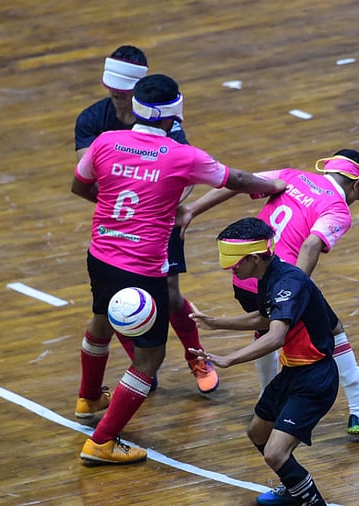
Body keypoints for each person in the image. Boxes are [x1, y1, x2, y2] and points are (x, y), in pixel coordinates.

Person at [71, 74, 286, 464]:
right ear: (174, 115)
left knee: (101, 320)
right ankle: (102, 441)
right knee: (149, 360)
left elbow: (80, 186)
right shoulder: (181, 155)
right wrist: (270, 187)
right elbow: (234, 179)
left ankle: (88, 399)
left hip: (101, 255)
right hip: (142, 269)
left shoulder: (104, 142)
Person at [178, 149, 359, 437]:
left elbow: (239, 183)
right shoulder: (338, 209)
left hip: (244, 277)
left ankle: (267, 401)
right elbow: (310, 246)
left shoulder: (292, 176)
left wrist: (192, 210)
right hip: (280, 279)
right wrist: (296, 291)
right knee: (334, 331)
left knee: (266, 328)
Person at [75, 45, 218, 394]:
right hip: (120, 223)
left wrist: (163, 206)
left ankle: (196, 356)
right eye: (113, 92)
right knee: (119, 299)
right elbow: (89, 178)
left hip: (160, 220)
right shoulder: (92, 121)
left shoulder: (166, 122)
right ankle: (140, 364)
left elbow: (181, 177)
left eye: (123, 94)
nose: (117, 99)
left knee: (169, 296)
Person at [189, 217, 337, 506]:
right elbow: (266, 317)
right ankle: (294, 488)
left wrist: (229, 359)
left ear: (255, 258)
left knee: (275, 453)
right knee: (257, 431)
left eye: (236, 264)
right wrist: (215, 323)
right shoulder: (269, 276)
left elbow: (275, 336)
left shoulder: (289, 283)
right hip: (293, 371)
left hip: (315, 378)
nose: (232, 270)